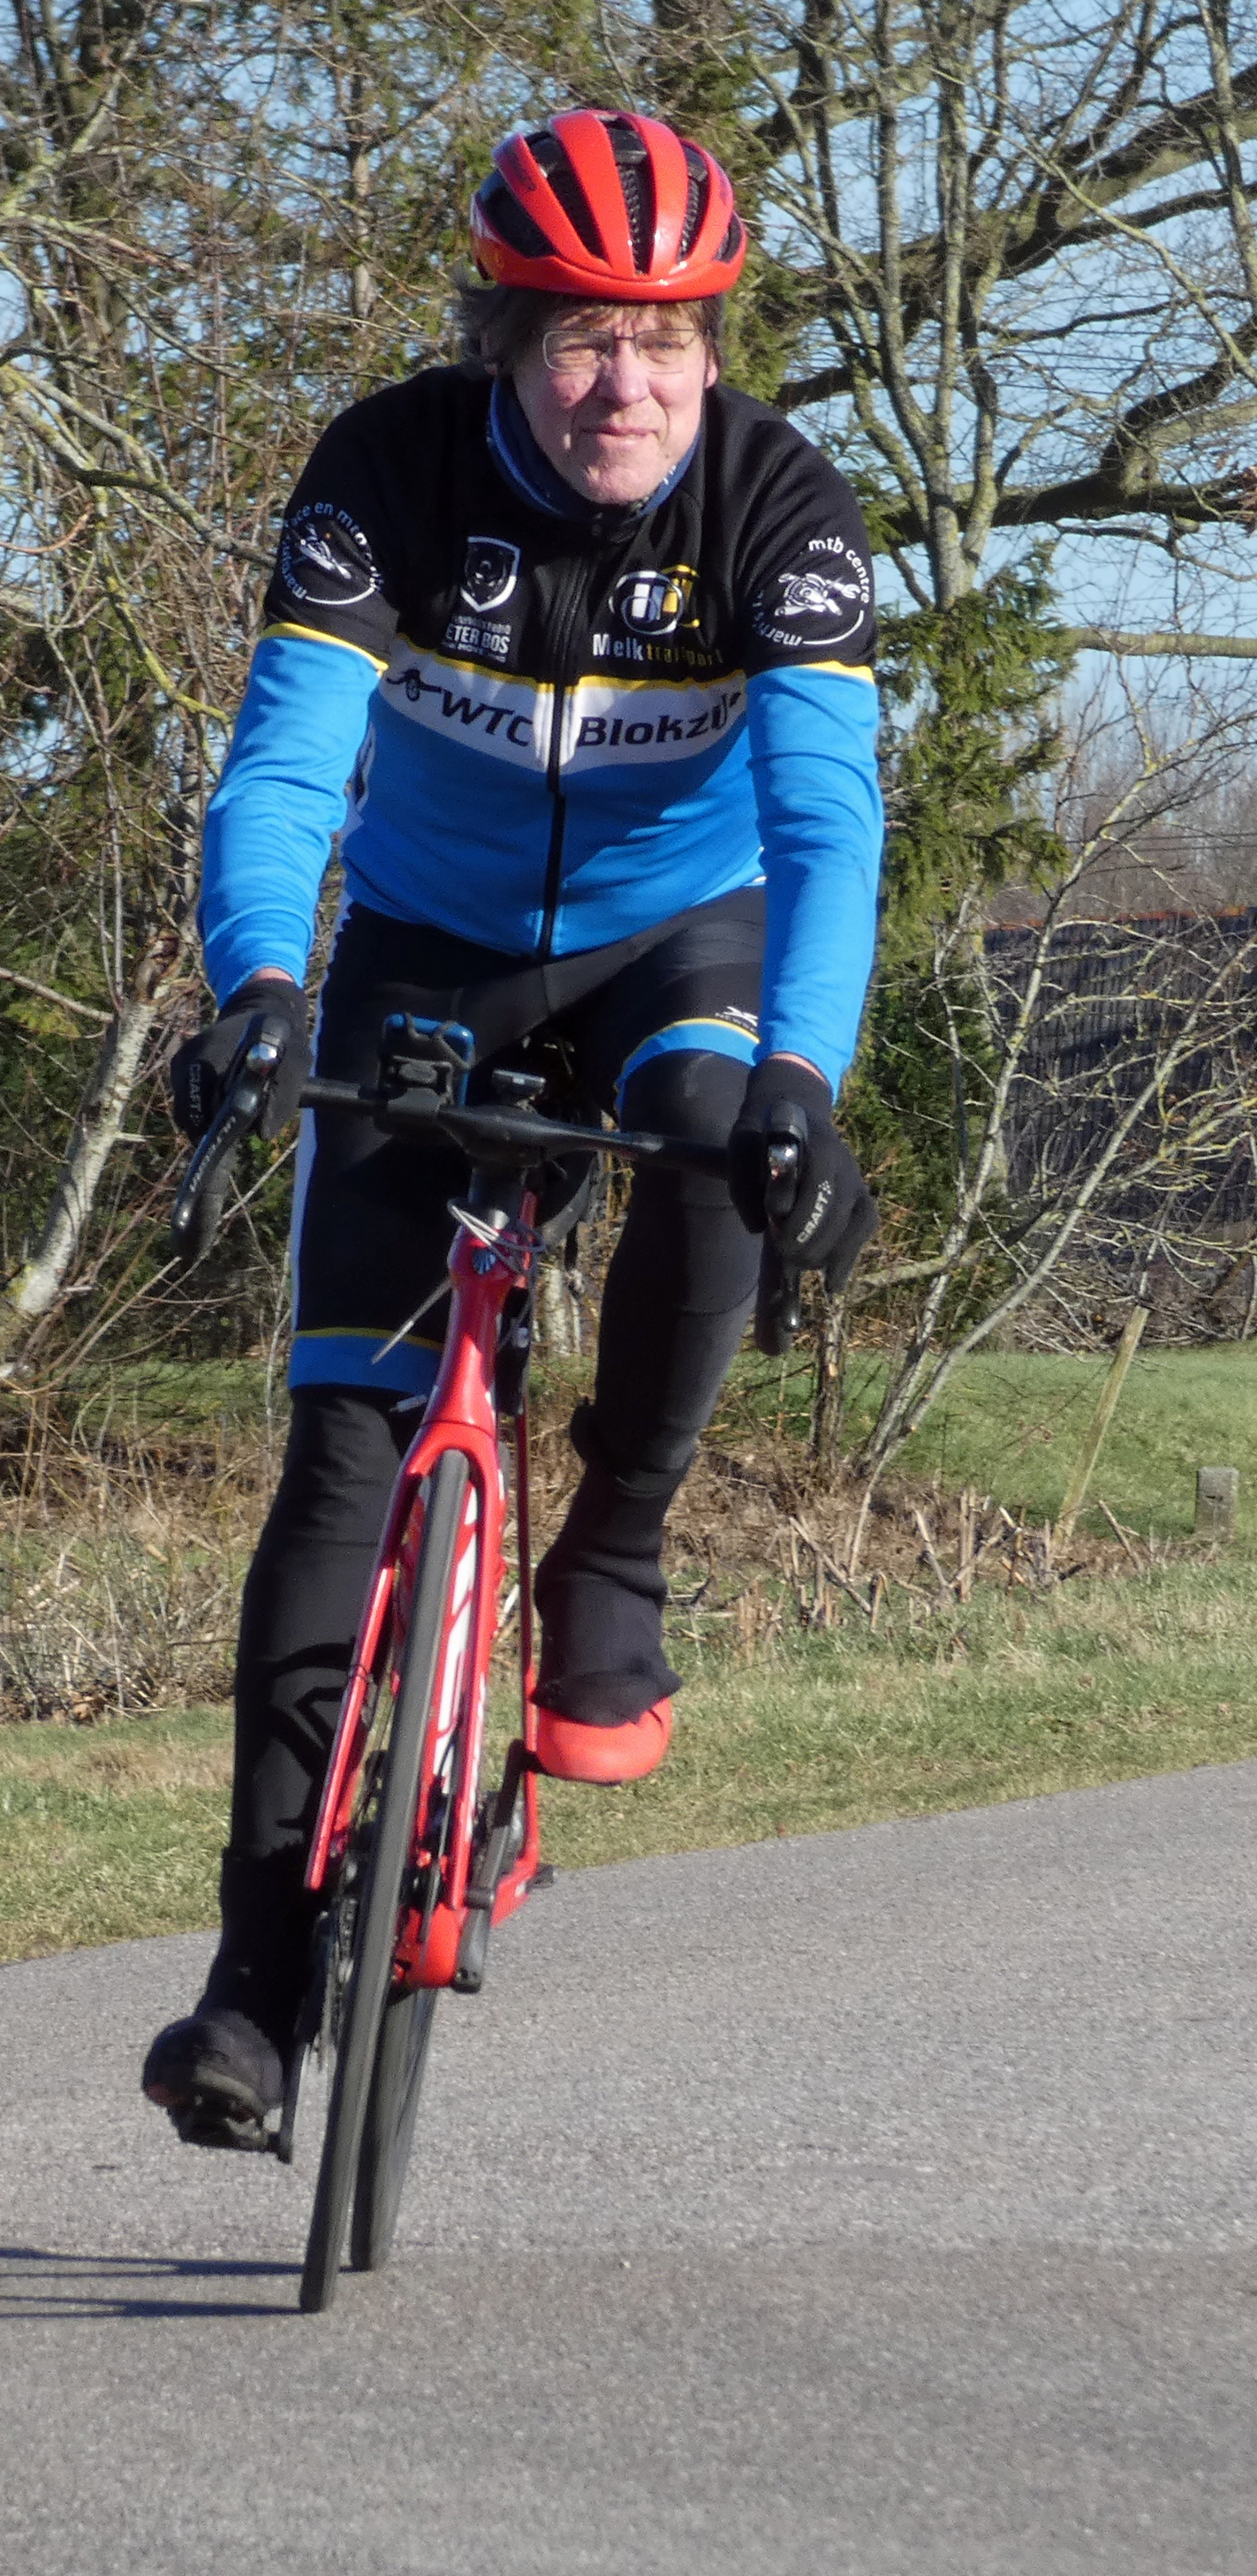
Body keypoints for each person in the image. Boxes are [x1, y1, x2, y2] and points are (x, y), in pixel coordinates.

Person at [143, 110, 883, 2142]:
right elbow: (283, 764)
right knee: (336, 1444)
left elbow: (826, 824)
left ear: (712, 343)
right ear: (500, 339)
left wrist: (805, 1079)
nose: (618, 385)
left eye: (659, 338)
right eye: (571, 339)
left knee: (719, 1131)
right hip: (420, 945)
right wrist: (257, 986)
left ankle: (613, 1542)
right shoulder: (382, 471)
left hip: (677, 941)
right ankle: (250, 1978)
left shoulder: (779, 507)